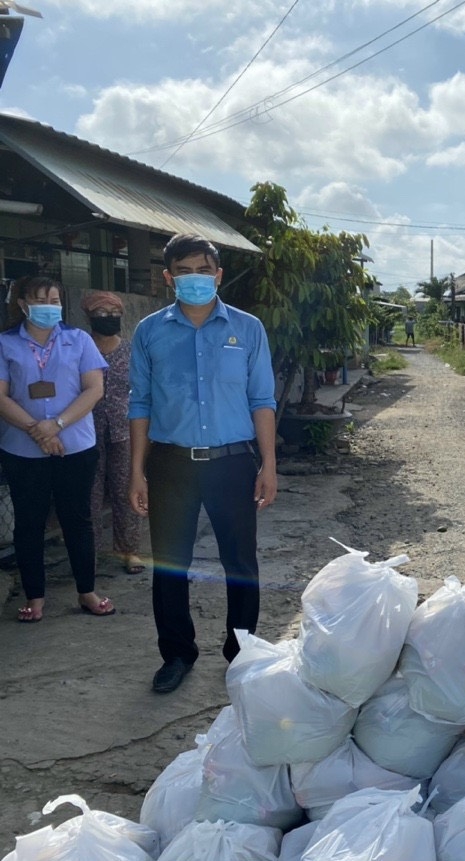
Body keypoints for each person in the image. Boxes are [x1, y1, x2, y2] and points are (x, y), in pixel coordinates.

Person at [128, 234, 277, 694]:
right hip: (171, 464)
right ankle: (176, 653)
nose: (195, 278)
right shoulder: (149, 331)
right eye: (184, 271)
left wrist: (268, 464)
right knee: (171, 565)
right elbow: (141, 404)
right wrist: (137, 470)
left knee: (240, 562)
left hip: (232, 463)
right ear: (168, 277)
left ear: (218, 275)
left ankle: (242, 652)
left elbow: (262, 399)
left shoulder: (248, 329)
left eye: (203, 269)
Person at [0, 276, 113, 622]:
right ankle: (35, 597)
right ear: (22, 305)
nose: (50, 307)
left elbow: (94, 390)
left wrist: (57, 425)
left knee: (77, 519)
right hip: (23, 449)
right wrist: (39, 432)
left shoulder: (78, 340)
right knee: (29, 523)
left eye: (54, 300)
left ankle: (87, 591)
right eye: (41, 300)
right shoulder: (5, 344)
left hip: (75, 446)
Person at [82, 291, 144, 575]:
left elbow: (143, 393)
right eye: (101, 313)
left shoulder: (132, 351)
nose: (108, 318)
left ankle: (129, 550)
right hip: (84, 432)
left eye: (113, 313)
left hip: (124, 431)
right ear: (89, 317)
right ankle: (87, 554)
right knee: (89, 495)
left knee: (125, 491)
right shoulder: (80, 348)